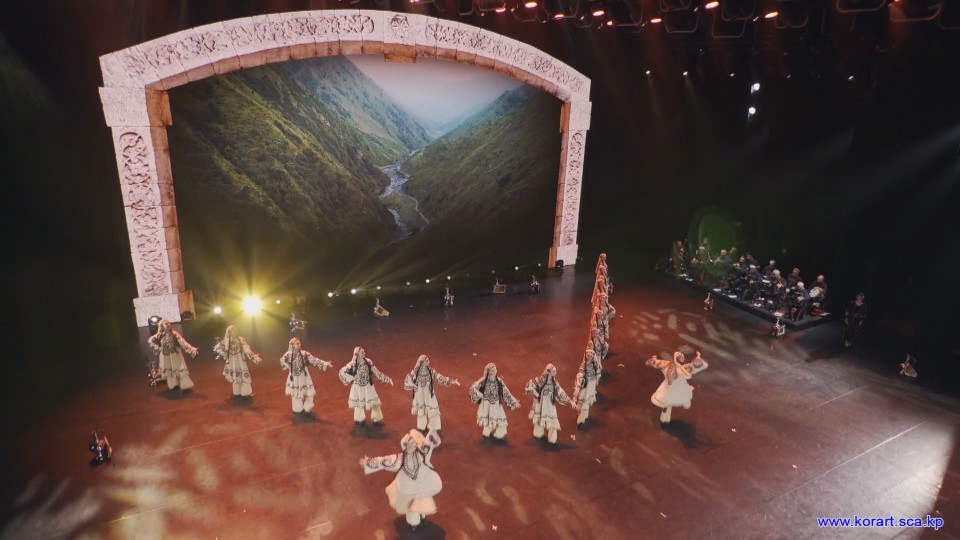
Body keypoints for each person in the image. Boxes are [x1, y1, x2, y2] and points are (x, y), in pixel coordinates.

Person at [360, 429, 443, 531]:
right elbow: (384, 461)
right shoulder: (401, 459)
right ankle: (414, 523)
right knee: (411, 507)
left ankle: (422, 516)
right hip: (408, 488)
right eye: (410, 444)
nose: (412, 445)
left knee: (422, 502)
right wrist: (368, 462)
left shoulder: (423, 453)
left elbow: (430, 441)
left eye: (414, 443)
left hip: (422, 485)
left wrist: (433, 432)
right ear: (405, 446)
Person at [645, 351, 709, 424]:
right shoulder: (671, 366)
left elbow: (699, 366)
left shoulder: (682, 369)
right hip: (671, 386)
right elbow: (660, 365)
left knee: (678, 395)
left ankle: (683, 402)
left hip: (675, 385)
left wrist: (697, 358)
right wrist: (655, 361)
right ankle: (665, 416)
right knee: (669, 400)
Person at [402, 355, 460, 431]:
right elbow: (407, 380)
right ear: (422, 362)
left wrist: (451, 381)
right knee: (421, 410)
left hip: (429, 394)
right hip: (420, 395)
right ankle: (421, 427)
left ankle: (435, 426)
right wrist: (414, 385)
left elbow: (439, 377)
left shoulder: (430, 371)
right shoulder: (415, 372)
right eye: (427, 361)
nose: (429, 362)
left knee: (433, 408)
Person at [339, 346, 394, 425]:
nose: (364, 353)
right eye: (362, 353)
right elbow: (342, 372)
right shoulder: (353, 364)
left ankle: (377, 418)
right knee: (359, 404)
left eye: (364, 352)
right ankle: (359, 419)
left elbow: (376, 372)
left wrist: (387, 379)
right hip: (358, 388)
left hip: (368, 386)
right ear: (357, 354)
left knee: (375, 403)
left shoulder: (368, 361)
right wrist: (351, 378)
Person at [280, 337, 332, 415]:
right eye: (297, 344)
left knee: (309, 392)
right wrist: (288, 366)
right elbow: (282, 360)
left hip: (304, 376)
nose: (299, 345)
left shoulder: (304, 354)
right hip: (294, 377)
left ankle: (307, 406)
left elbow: (313, 360)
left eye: (299, 343)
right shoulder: (288, 355)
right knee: (296, 394)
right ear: (292, 345)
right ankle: (298, 409)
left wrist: (324, 363)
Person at [468, 363, 520, 439]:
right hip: (486, 404)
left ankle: (499, 431)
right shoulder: (483, 380)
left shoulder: (499, 381)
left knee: (498, 418)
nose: (495, 371)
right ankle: (488, 429)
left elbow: (505, 392)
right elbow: (473, 387)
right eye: (493, 370)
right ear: (488, 372)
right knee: (488, 417)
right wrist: (480, 395)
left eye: (495, 370)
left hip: (496, 404)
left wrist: (513, 401)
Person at [524, 364, 571, 444]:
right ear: (549, 372)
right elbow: (528, 385)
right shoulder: (539, 379)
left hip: (550, 405)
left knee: (553, 421)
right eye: (554, 371)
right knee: (539, 420)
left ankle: (552, 439)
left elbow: (560, 391)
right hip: (540, 404)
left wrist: (569, 401)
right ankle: (538, 434)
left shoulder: (554, 381)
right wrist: (536, 393)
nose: (556, 372)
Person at [147, 319, 198, 391]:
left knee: (179, 369)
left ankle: (185, 385)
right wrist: (157, 348)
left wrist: (191, 349)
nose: (168, 325)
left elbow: (182, 342)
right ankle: (173, 385)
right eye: (166, 324)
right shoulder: (160, 335)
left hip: (175, 354)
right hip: (165, 356)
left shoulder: (174, 333)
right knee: (169, 371)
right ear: (162, 326)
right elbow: (151, 340)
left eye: (169, 323)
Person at [214, 325, 262, 398]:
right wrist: (224, 354)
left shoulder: (240, 339)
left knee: (244, 376)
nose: (235, 332)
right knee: (235, 377)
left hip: (240, 361)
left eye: (236, 330)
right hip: (232, 362)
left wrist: (253, 356)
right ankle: (238, 393)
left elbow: (246, 349)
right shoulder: (226, 341)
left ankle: (246, 393)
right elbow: (217, 348)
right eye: (233, 331)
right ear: (230, 332)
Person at [572, 349, 602, 429]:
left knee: (585, 404)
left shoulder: (594, 365)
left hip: (590, 387)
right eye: (588, 356)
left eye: (591, 356)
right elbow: (580, 374)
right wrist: (580, 379)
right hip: (584, 387)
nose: (589, 357)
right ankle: (580, 415)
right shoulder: (583, 366)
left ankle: (581, 419)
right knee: (581, 402)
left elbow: (598, 371)